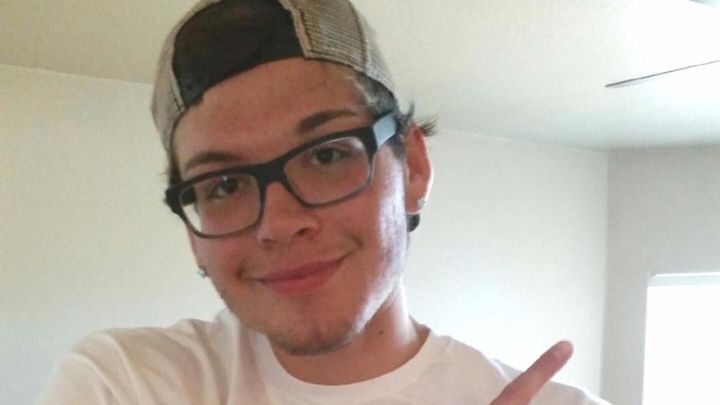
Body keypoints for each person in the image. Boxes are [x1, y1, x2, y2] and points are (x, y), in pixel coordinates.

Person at [38, 0, 609, 404]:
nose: (279, 223)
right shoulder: (126, 384)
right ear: (193, 233)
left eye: (327, 155)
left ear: (412, 167)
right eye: (225, 185)